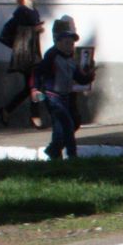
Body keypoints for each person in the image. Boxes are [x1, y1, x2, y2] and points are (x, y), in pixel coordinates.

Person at [35, 16, 94, 160]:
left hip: (65, 97)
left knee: (60, 128)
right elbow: (38, 71)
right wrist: (35, 89)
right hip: (53, 96)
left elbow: (79, 78)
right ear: (58, 42)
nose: (71, 46)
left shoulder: (70, 58)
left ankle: (54, 153)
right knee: (68, 124)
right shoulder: (52, 56)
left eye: (72, 44)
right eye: (67, 43)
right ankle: (72, 155)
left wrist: (90, 75)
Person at [0, 0, 45, 128]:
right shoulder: (21, 12)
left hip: (34, 53)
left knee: (30, 86)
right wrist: (18, 46)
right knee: (34, 85)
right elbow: (6, 33)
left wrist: (35, 31)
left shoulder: (34, 11)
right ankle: (34, 116)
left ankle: (7, 110)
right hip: (26, 56)